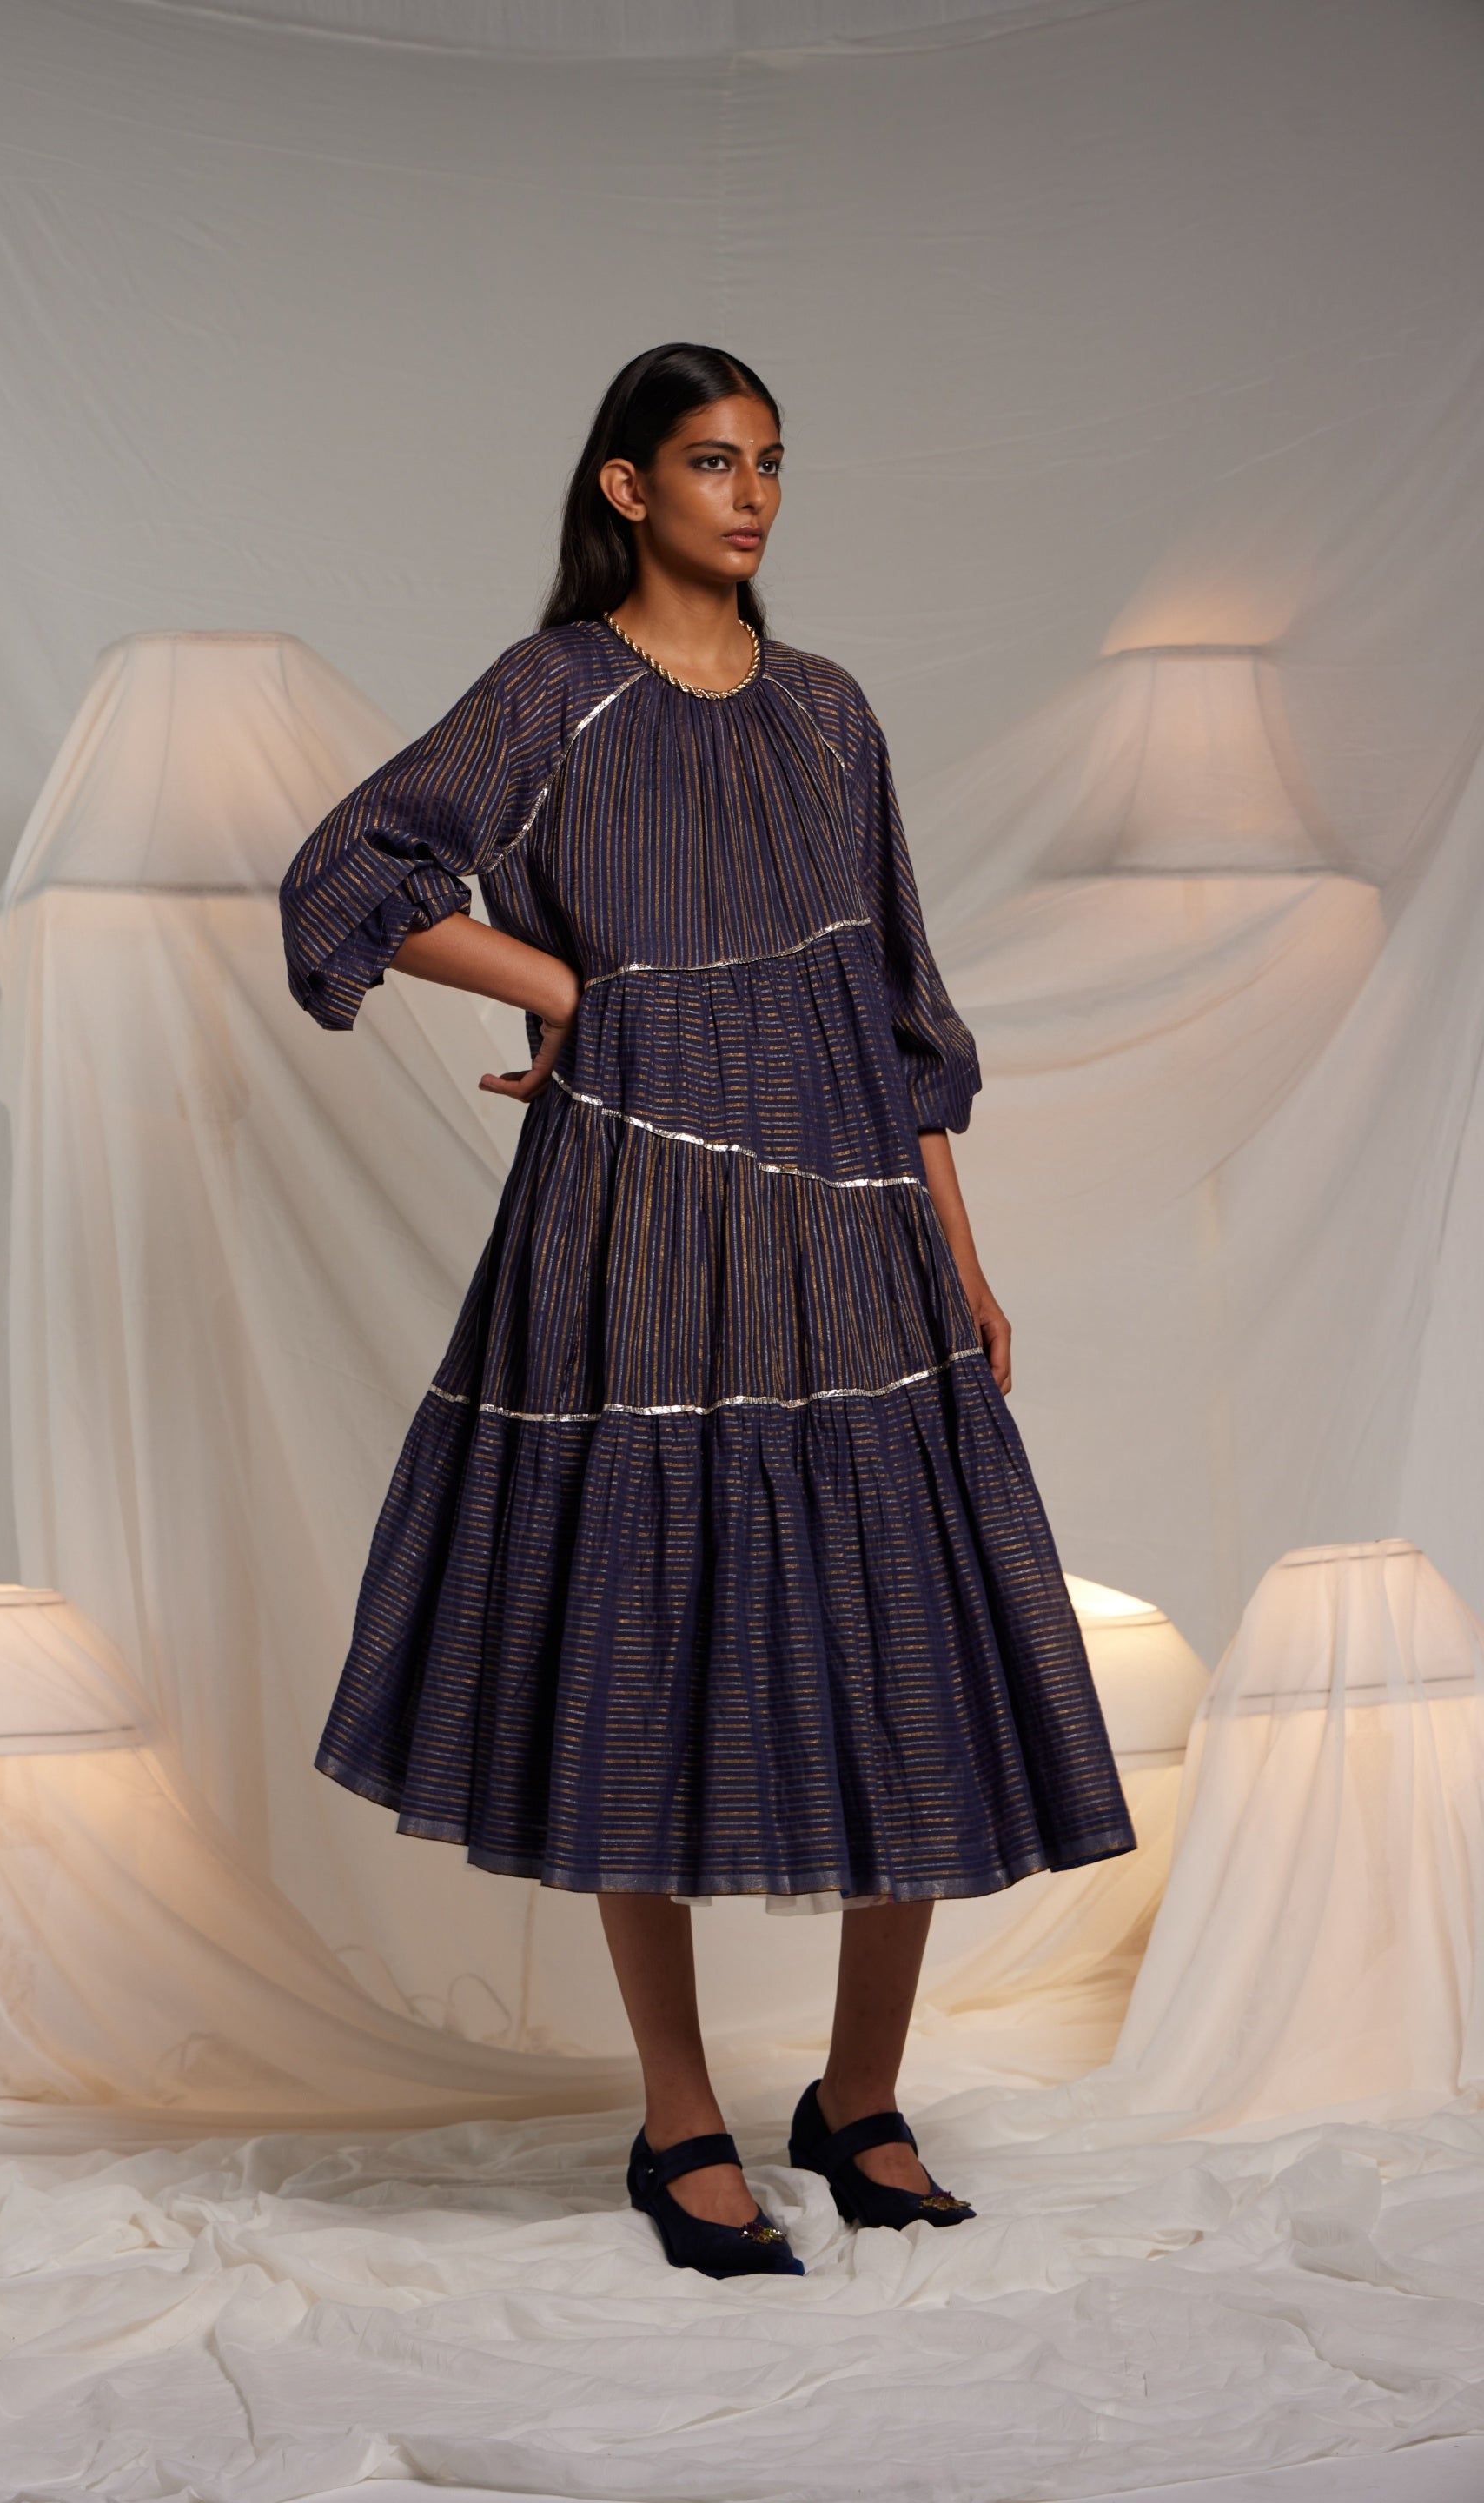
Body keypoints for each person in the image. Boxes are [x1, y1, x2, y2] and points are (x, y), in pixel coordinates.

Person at [279, 342, 1137, 2281]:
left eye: (769, 464)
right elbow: (351, 873)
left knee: (914, 1631)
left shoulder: (828, 712)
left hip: (854, 1229)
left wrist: (965, 1256)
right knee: (642, 1642)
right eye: (710, 462)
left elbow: (902, 1010)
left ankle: (862, 2095)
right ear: (627, 488)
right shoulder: (555, 696)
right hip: (642, 1224)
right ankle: (678, 2116)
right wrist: (575, 992)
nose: (749, 496)